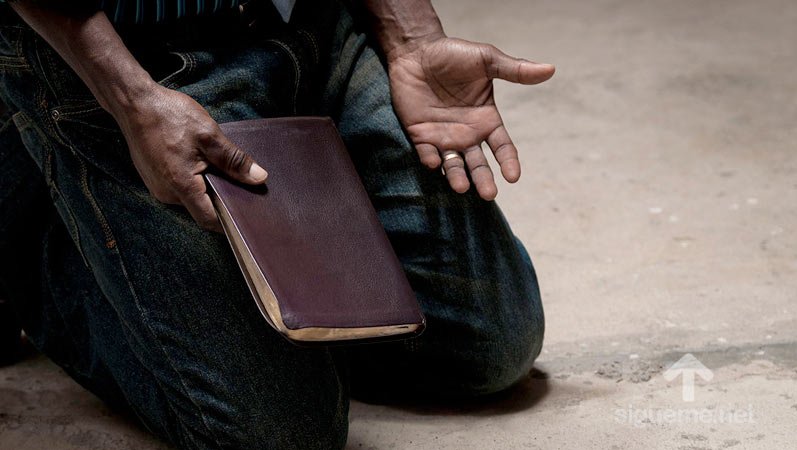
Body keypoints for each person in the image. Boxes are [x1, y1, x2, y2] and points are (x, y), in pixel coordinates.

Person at [0, 0, 554, 447]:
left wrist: (412, 36)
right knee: (284, 434)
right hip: (132, 57)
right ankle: (28, 192)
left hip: (302, 17)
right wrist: (132, 100)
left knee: (489, 347)